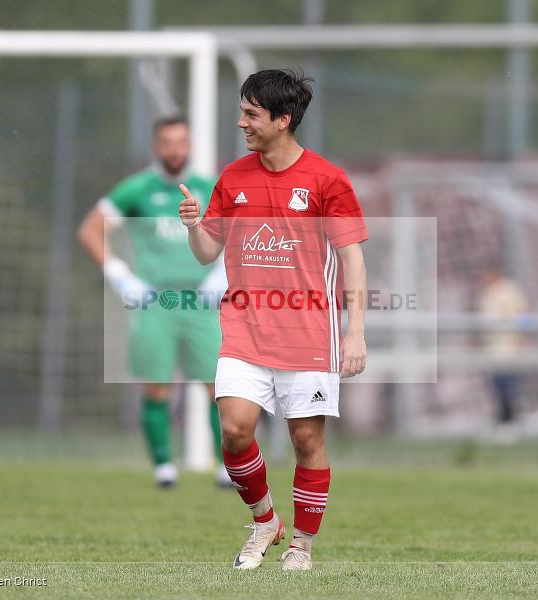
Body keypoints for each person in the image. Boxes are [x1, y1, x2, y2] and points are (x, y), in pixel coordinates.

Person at [178, 69, 368, 571]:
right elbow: (206, 254)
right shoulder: (233, 178)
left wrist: (355, 332)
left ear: (283, 120)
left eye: (251, 114)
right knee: (235, 430)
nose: (241, 122)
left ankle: (302, 543)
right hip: (244, 330)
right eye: (242, 111)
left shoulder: (328, 180)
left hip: (308, 334)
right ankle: (265, 521)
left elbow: (352, 259)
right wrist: (195, 226)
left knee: (306, 441)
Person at [78, 116, 230, 489]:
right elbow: (90, 230)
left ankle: (226, 467)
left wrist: (221, 275)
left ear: (191, 145)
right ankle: (163, 467)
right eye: (167, 142)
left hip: (201, 302)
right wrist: (119, 275)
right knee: (157, 386)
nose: (175, 149)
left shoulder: (209, 188)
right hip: (156, 302)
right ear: (155, 146)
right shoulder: (137, 190)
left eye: (181, 141)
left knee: (219, 387)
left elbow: (241, 234)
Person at [476, 264, 530, 429]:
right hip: (491, 347)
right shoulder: (486, 293)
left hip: (507, 345)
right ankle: (502, 420)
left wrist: (521, 337)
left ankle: (510, 420)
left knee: (507, 383)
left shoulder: (510, 290)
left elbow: (523, 315)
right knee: (496, 384)